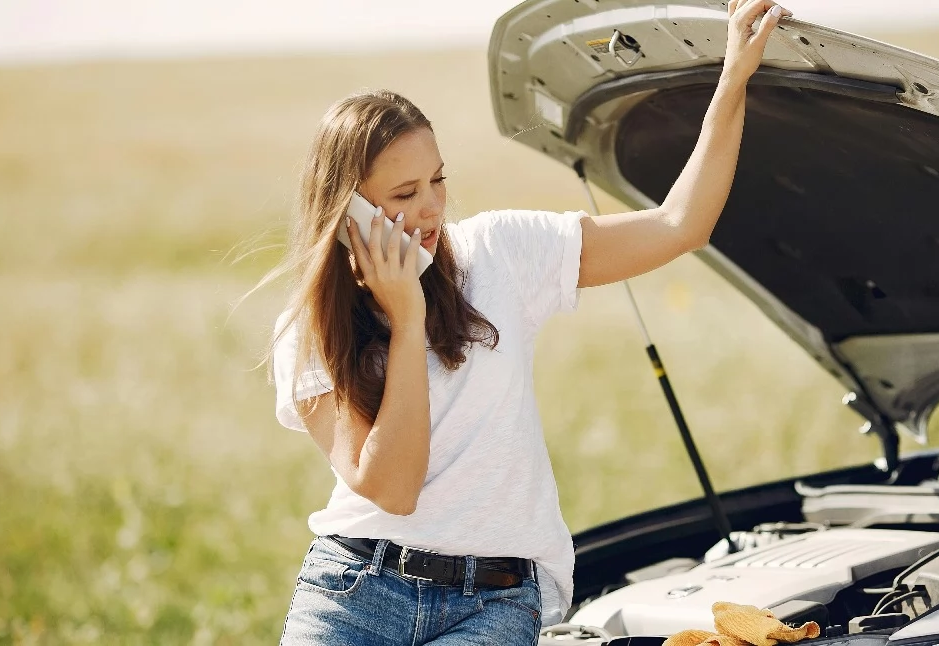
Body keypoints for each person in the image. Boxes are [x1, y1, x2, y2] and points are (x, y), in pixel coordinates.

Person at [270, 2, 792, 644]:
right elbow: (393, 488)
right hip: (356, 589)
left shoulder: (499, 253)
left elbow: (679, 225)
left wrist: (733, 78)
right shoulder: (309, 329)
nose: (432, 207)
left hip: (493, 602)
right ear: (348, 210)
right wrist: (408, 322)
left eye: (436, 181)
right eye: (404, 195)